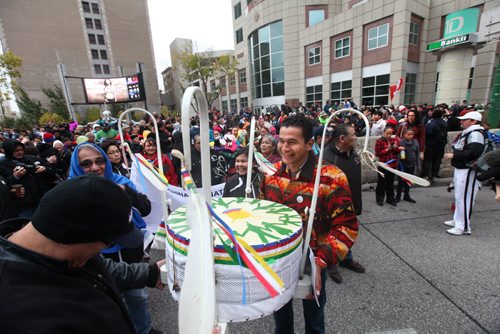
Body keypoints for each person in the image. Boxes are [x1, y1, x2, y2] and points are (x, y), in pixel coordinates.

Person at [0, 175, 164, 333]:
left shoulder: (70, 254)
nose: (101, 251)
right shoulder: (21, 316)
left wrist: (151, 273)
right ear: (74, 234)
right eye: (108, 243)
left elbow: (100, 270)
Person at [260, 115, 358, 334]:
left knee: (314, 319)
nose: (285, 148)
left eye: (292, 142)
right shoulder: (271, 174)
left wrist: (321, 263)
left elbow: (346, 227)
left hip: (314, 259)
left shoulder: (330, 177)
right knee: (280, 318)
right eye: (281, 141)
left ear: (309, 144)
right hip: (278, 259)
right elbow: (263, 216)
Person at [69, 143, 155, 334]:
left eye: (100, 161)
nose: (95, 167)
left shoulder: (120, 181)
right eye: (86, 163)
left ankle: (144, 329)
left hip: (129, 248)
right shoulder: (69, 190)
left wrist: (125, 191)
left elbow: (146, 209)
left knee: (137, 297)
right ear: (76, 166)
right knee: (105, 304)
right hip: (94, 257)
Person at [323, 124, 365, 284]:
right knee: (332, 233)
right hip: (333, 206)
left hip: (351, 200)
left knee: (347, 231)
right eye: (353, 135)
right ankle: (331, 263)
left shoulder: (352, 152)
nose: (356, 137)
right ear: (342, 139)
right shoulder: (327, 157)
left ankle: (346, 258)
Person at [444, 111, 486, 236]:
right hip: (462, 168)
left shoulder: (476, 134)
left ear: (473, 121)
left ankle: (463, 226)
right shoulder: (469, 133)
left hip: (468, 170)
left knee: (465, 198)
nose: (461, 121)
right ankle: (457, 220)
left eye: (465, 119)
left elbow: (474, 152)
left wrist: (454, 155)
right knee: (459, 197)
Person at [0, 139, 56, 217]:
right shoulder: (3, 165)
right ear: (8, 151)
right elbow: (4, 188)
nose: (20, 152)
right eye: (16, 150)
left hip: (42, 199)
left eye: (21, 149)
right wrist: (15, 177)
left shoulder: (32, 159)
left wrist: (45, 169)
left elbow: (52, 176)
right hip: (24, 206)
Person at [374, 126, 404, 206]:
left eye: (391, 133)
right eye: (387, 133)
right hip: (383, 165)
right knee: (381, 183)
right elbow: (378, 153)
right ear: (384, 133)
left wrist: (398, 148)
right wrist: (388, 149)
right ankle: (380, 199)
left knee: (390, 183)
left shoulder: (394, 140)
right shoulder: (379, 141)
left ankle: (390, 199)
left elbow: (396, 152)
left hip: (392, 165)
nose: (389, 135)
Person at [421, 109, 447, 182]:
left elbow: (426, 133)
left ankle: (425, 175)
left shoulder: (431, 124)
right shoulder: (444, 123)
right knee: (437, 161)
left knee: (427, 160)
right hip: (441, 145)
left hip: (431, 145)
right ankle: (434, 175)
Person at [395, 129, 419, 203]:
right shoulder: (401, 142)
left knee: (408, 181)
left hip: (411, 164)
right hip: (402, 164)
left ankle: (407, 195)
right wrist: (397, 148)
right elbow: (395, 152)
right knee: (401, 181)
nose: (410, 136)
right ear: (404, 135)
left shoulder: (415, 142)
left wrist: (418, 165)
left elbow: (417, 154)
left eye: (411, 134)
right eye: (408, 134)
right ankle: (398, 196)